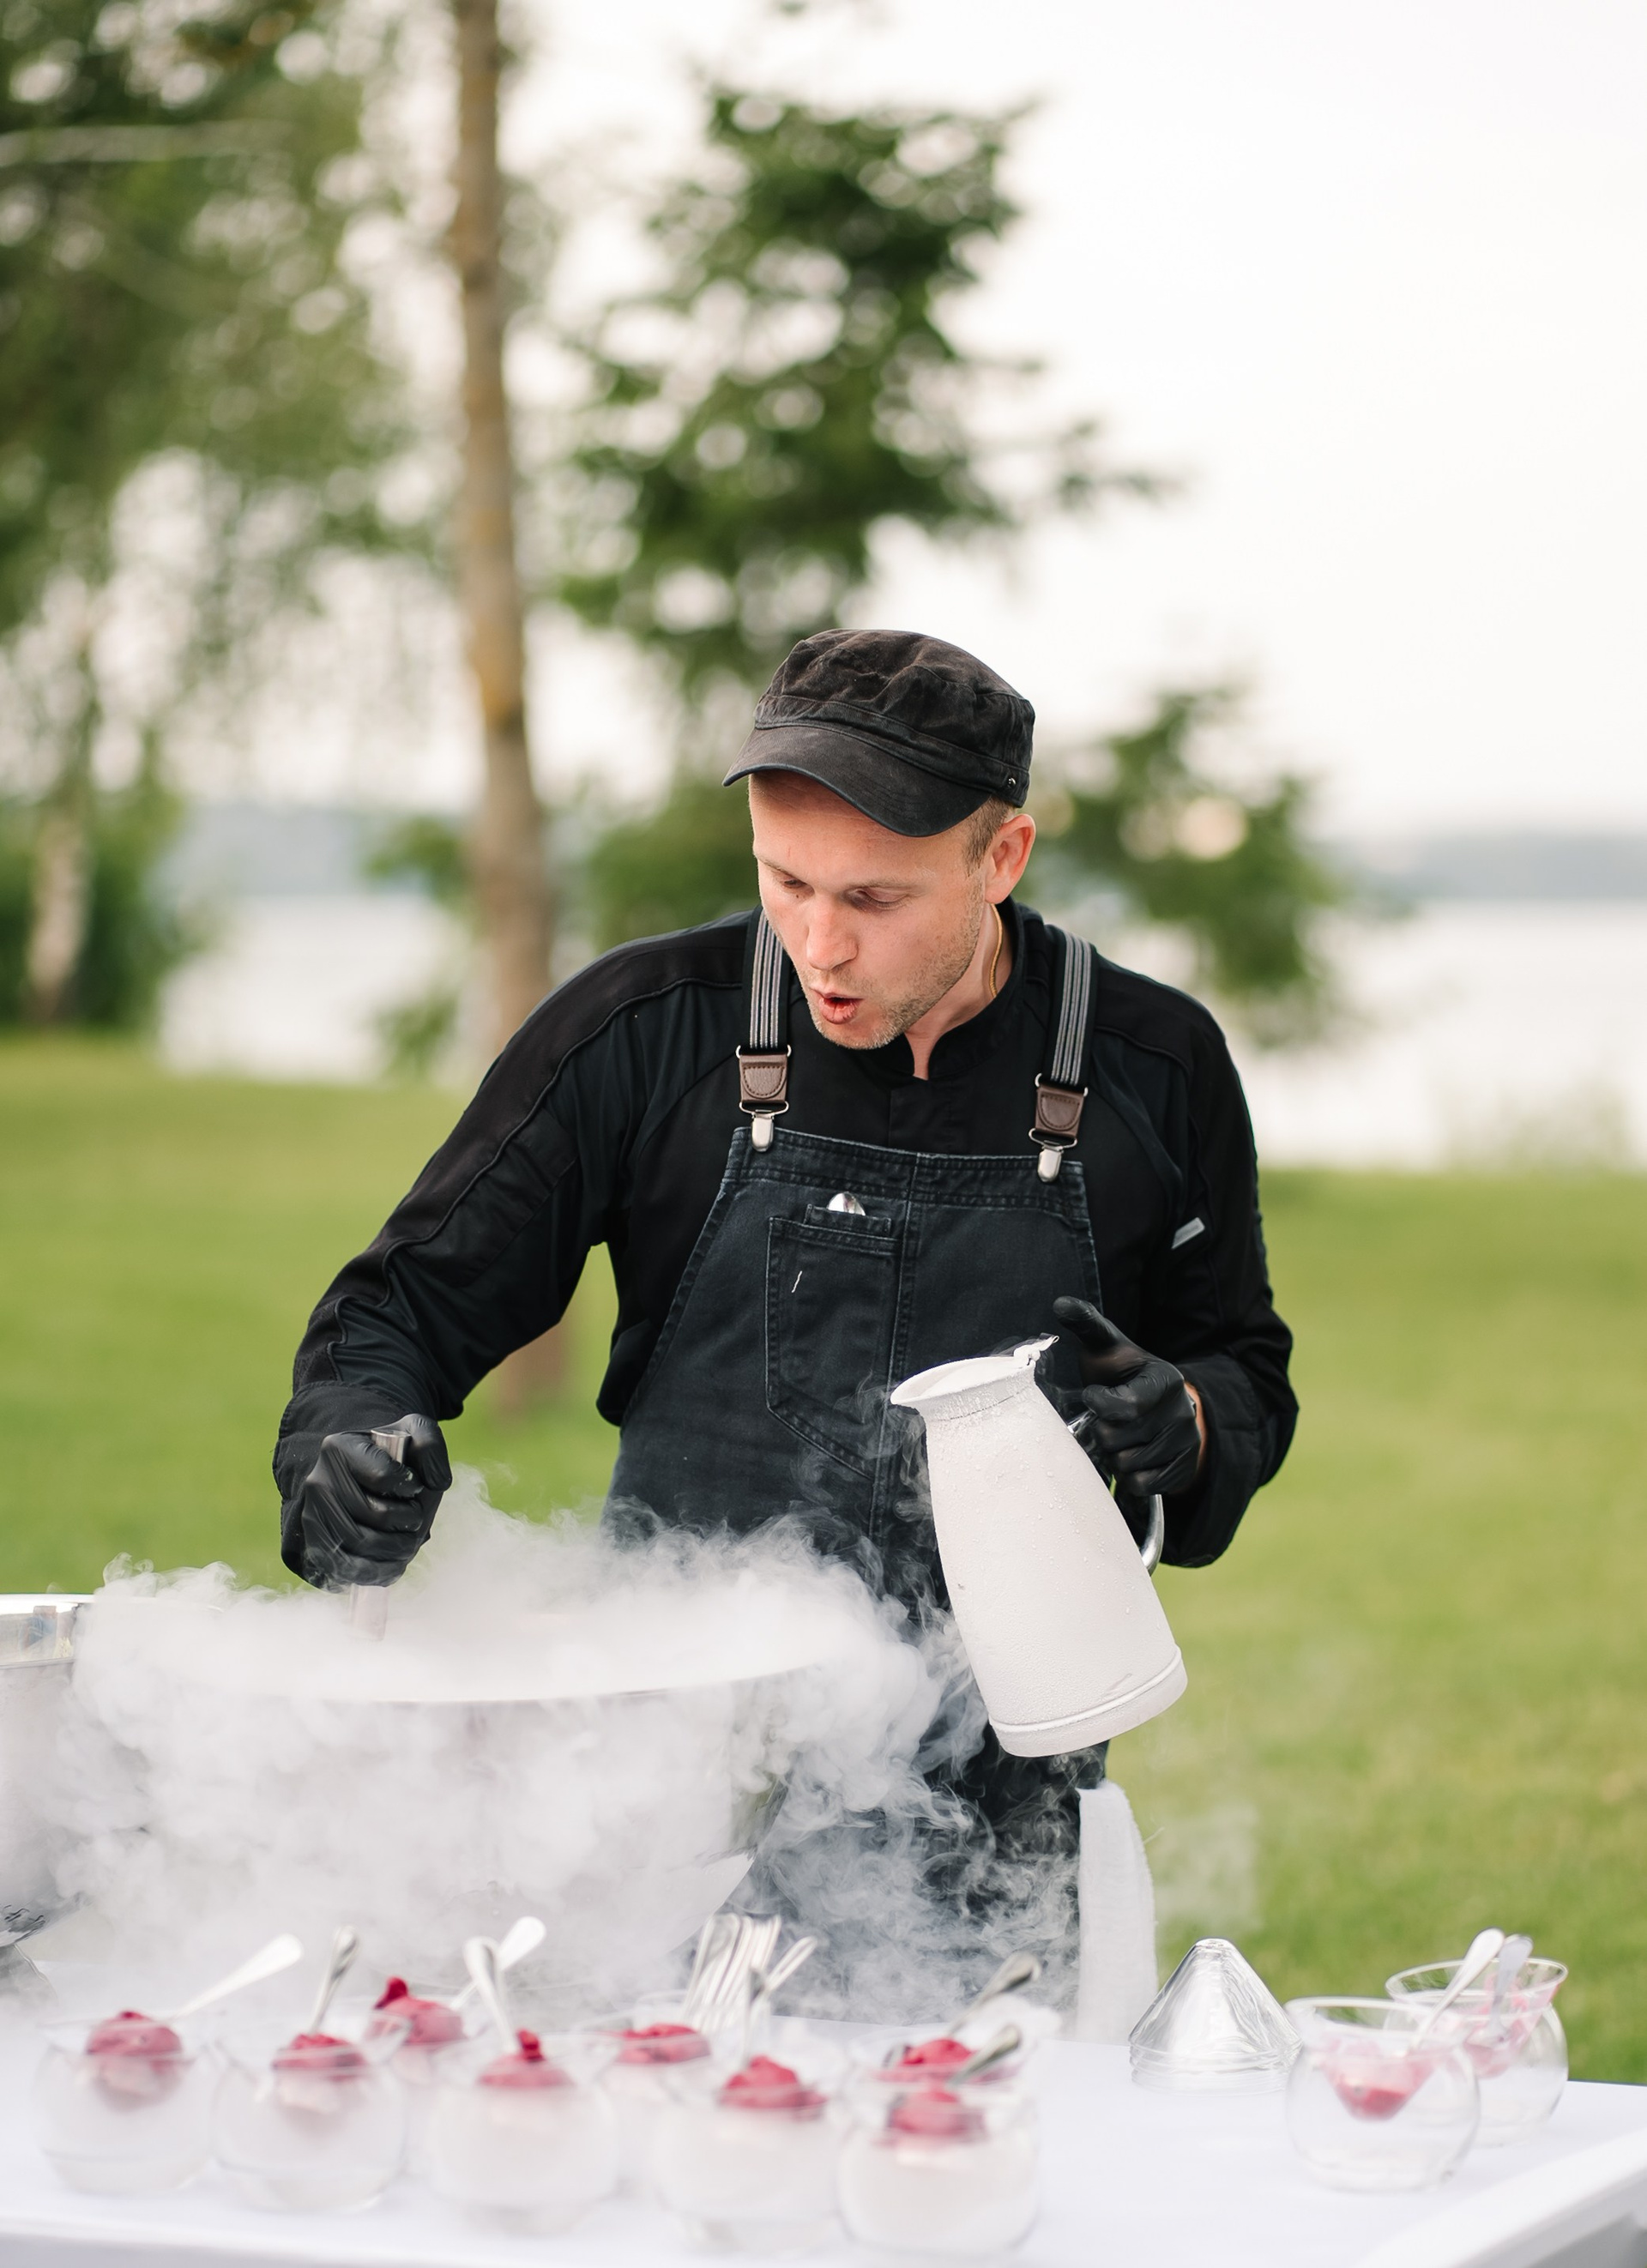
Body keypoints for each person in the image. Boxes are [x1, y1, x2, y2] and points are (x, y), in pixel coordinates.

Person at [274, 628, 1296, 1880]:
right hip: (667, 1799)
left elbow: (1242, 1367)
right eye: (786, 882)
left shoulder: (1157, 1063)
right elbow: (395, 1316)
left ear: (1003, 857)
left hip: (1002, 1812)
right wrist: (346, 1447)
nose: (820, 944)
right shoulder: (643, 1030)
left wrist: (1187, 1423)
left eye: (873, 900)